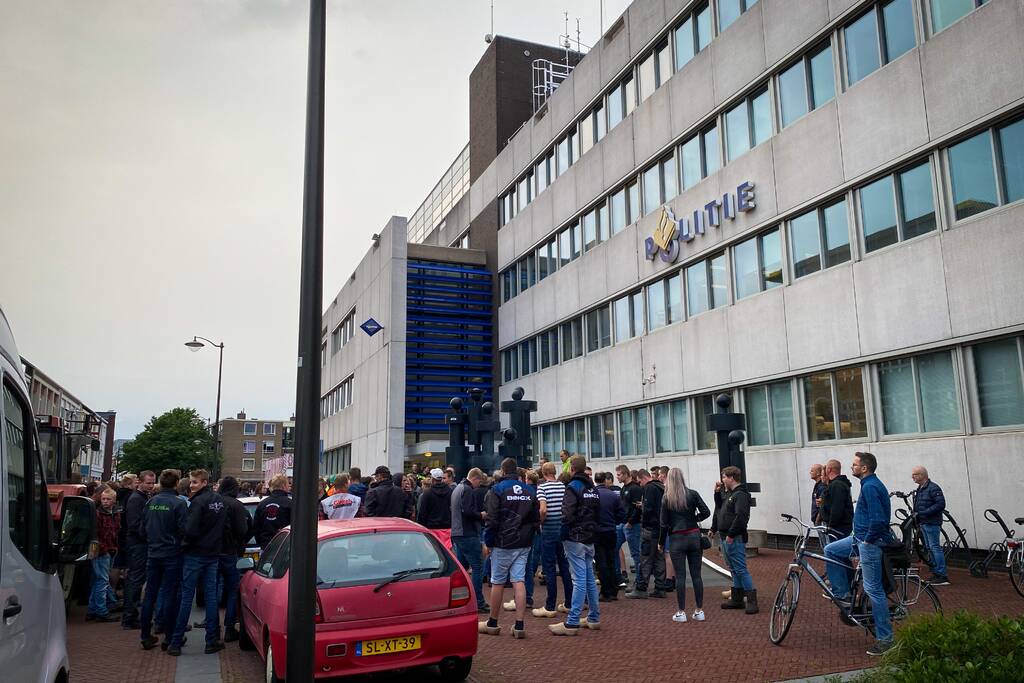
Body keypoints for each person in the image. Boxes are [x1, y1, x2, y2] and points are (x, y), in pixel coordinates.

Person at [824, 453, 894, 656]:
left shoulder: (871, 487)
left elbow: (878, 520)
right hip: (859, 538)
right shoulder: (868, 485)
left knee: (874, 590)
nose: (851, 467)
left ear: (864, 468)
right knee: (831, 551)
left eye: (854, 465)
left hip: (869, 543)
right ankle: (843, 594)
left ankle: (885, 639)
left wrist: (867, 540)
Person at [168, 469, 228, 656]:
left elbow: (191, 529)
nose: (191, 485)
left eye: (194, 482)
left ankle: (176, 642)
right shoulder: (220, 501)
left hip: (195, 554)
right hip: (212, 553)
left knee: (187, 597)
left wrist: (184, 544)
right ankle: (211, 640)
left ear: (203, 482)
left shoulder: (197, 502)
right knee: (211, 596)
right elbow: (224, 527)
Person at [479, 458, 540, 639]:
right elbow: (536, 518)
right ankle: (519, 624)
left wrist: (488, 541)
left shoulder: (497, 489)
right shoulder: (530, 490)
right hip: (524, 541)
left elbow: (492, 519)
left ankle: (493, 622)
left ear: (503, 471)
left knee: (497, 581)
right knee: (519, 580)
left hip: (503, 542)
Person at [549, 455, 601, 636]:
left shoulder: (573, 487)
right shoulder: (592, 488)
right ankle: (594, 617)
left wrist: (565, 530)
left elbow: (567, 513)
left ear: (571, 468)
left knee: (579, 579)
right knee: (588, 578)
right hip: (589, 536)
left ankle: (572, 622)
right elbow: (597, 512)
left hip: (574, 537)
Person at [138, 470, 189, 652]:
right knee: (170, 595)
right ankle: (169, 637)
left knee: (150, 595)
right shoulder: (178, 504)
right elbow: (184, 530)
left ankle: (145, 635)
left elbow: (142, 530)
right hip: (172, 555)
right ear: (176, 484)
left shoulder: (151, 502)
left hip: (153, 553)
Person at [658, 468, 711, 623]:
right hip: (694, 535)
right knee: (697, 575)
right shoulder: (692, 494)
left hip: (677, 538)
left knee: (680, 576)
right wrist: (695, 518)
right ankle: (699, 610)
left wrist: (661, 542)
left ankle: (681, 612)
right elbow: (706, 511)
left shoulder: (667, 498)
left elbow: (663, 524)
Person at [533, 462, 573, 618]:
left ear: (543, 473)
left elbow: (543, 509)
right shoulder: (564, 487)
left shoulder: (542, 488)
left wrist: (541, 522)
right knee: (564, 568)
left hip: (549, 531)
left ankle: (550, 606)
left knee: (549, 568)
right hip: (562, 532)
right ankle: (569, 603)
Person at [718, 466, 757, 614]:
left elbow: (741, 516)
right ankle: (737, 598)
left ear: (731, 478)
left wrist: (731, 534)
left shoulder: (740, 495)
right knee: (733, 569)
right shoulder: (731, 494)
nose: (722, 480)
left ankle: (752, 601)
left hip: (734, 537)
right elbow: (721, 509)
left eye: (724, 477)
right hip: (727, 536)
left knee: (740, 569)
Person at [217, 476, 251, 643]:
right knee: (232, 591)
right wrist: (241, 543)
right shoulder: (237, 505)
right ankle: (229, 628)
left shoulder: (212, 502)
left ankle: (212, 627)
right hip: (230, 551)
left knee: (212, 590)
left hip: (211, 552)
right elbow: (244, 528)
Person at [121, 470, 156, 629]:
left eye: (152, 483)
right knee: (135, 579)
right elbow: (134, 525)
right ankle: (129, 617)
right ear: (140, 482)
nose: (151, 486)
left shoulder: (143, 497)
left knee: (136, 579)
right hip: (138, 544)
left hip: (139, 543)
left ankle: (131, 615)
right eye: (148, 483)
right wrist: (149, 535)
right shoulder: (136, 499)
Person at [451, 468, 488, 613]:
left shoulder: (457, 488)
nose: (479, 485)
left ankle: (461, 598)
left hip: (457, 533)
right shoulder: (467, 490)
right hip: (467, 533)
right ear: (476, 478)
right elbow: (467, 512)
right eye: (479, 482)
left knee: (461, 568)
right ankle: (478, 601)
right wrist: (481, 515)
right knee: (478, 567)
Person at [626, 469, 665, 599]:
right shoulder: (661, 487)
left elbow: (648, 509)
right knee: (659, 558)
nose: (640, 485)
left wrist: (643, 510)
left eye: (639, 482)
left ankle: (641, 587)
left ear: (642, 478)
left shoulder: (649, 488)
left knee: (646, 558)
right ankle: (660, 587)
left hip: (650, 528)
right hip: (660, 528)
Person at [88, 488, 121, 622]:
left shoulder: (116, 514)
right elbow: (96, 533)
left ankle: (92, 610)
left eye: (108, 499)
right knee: (102, 581)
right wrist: (104, 548)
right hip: (102, 550)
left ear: (114, 500)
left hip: (110, 549)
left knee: (99, 580)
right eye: (103, 499)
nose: (105, 502)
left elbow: (116, 531)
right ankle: (101, 611)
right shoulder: (98, 514)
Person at [912, 466, 949, 585]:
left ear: (922, 475)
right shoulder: (921, 488)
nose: (913, 477)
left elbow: (940, 504)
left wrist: (923, 513)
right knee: (929, 547)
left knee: (934, 547)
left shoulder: (933, 488)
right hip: (924, 522)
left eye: (915, 474)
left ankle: (942, 575)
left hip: (931, 522)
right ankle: (936, 572)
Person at [594, 472, 625, 601]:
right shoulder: (613, 495)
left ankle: (606, 591)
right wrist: (614, 522)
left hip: (598, 531)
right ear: (605, 481)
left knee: (601, 562)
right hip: (611, 530)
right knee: (611, 560)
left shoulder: (593, 495)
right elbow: (622, 514)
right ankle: (613, 589)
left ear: (595, 481)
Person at [616, 465, 642, 589]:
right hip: (623, 524)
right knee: (614, 547)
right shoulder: (624, 488)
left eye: (619, 474)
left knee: (635, 554)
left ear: (626, 474)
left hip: (632, 525)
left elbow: (638, 508)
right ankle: (618, 577)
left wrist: (630, 522)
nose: (617, 477)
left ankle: (639, 580)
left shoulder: (635, 488)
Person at [253, 474, 292, 549]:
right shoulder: (290, 504)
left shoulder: (262, 504)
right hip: (284, 547)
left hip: (266, 547)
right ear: (283, 485)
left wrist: (261, 543)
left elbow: (256, 527)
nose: (289, 487)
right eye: (288, 484)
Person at [419, 468, 453, 546]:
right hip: (447, 527)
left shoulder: (427, 493)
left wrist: (421, 526)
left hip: (431, 527)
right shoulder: (450, 491)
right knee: (446, 551)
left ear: (433, 479)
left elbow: (423, 512)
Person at [821, 459, 854, 537]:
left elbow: (837, 507)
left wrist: (830, 526)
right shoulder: (838, 484)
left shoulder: (836, 485)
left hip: (838, 528)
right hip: (840, 526)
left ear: (829, 469)